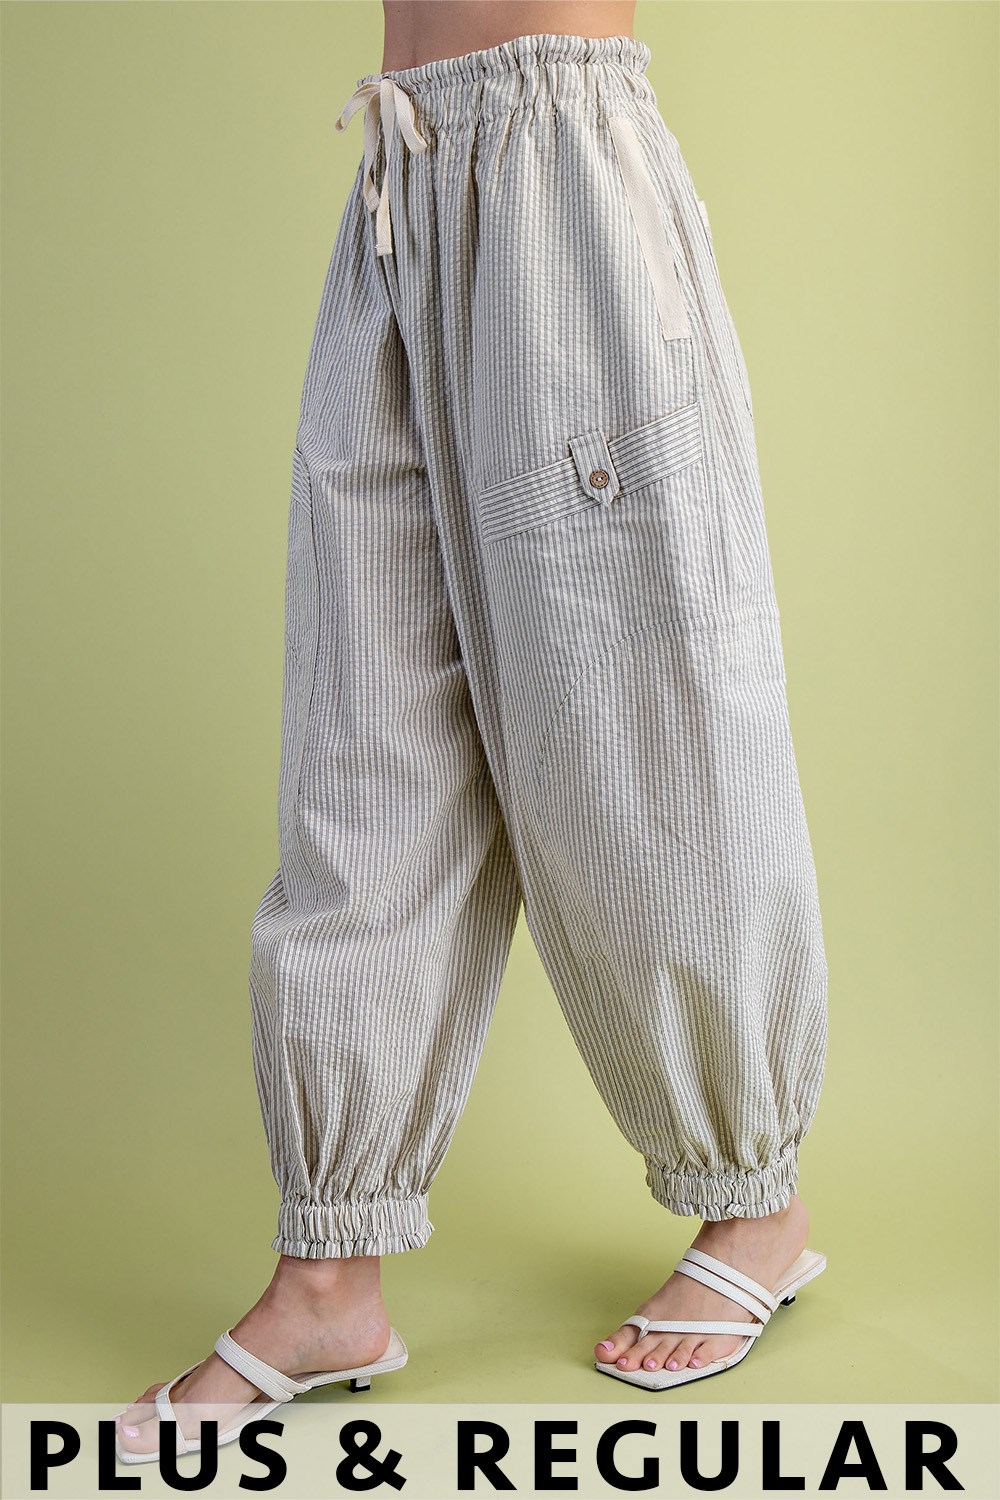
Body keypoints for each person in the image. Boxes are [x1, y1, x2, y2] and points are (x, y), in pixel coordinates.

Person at [115, 0, 829, 1458]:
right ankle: (328, 1273)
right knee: (363, 742)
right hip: (405, 182)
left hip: (565, 180)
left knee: (641, 738)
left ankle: (754, 1201)